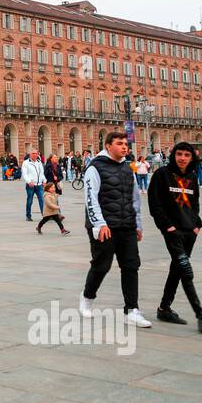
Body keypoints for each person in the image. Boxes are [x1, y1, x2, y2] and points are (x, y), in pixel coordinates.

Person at [79, 131, 152, 329]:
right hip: (104, 225)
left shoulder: (128, 168)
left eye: (125, 144)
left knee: (131, 265)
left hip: (126, 224)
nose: (124, 147)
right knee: (101, 265)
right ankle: (87, 297)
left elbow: (135, 198)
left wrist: (138, 224)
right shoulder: (95, 166)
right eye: (120, 143)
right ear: (108, 145)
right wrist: (99, 224)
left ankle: (132, 310)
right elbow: (90, 198)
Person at [148, 141, 202, 333]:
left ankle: (164, 308)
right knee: (185, 269)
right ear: (173, 155)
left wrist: (196, 225)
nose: (183, 158)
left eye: (186, 155)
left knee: (177, 268)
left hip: (189, 231)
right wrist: (167, 226)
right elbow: (155, 204)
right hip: (172, 231)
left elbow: (195, 203)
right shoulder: (162, 175)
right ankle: (201, 315)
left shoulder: (192, 177)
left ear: (191, 158)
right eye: (179, 154)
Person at [21, 151, 45, 221]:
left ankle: (44, 215)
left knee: (42, 200)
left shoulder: (39, 162)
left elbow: (41, 173)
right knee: (30, 200)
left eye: (36, 154)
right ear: (30, 155)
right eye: (33, 154)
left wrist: (44, 180)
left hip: (39, 185)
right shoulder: (26, 162)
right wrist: (28, 181)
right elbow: (24, 174)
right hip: (30, 185)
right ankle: (28, 215)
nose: (35, 155)